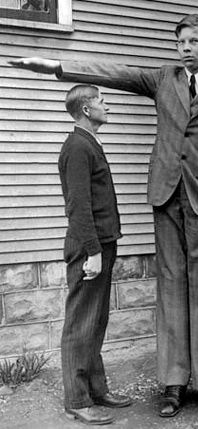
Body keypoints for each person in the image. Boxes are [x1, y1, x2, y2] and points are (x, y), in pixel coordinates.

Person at [9, 13, 198, 418]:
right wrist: (58, 67)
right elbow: (115, 72)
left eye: (192, 42)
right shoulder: (162, 80)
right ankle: (173, 383)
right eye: (180, 43)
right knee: (170, 289)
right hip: (166, 196)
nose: (185, 49)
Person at [56, 84, 131, 425]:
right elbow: (79, 207)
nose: (107, 105)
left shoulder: (89, 144)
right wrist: (93, 252)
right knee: (80, 324)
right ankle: (77, 399)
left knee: (96, 321)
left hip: (102, 243)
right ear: (86, 109)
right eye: (101, 101)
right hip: (90, 248)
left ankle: (97, 389)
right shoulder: (77, 147)